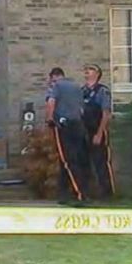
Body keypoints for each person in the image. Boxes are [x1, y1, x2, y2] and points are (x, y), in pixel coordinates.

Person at [45, 67, 89, 204]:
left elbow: (51, 102)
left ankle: (79, 193)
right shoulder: (76, 87)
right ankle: (64, 193)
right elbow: (82, 109)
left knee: (66, 159)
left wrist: (50, 118)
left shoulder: (57, 86)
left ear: (54, 77)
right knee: (75, 158)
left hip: (64, 125)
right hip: (78, 125)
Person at [82, 63, 116, 199]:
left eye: (90, 69)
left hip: (97, 130)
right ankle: (87, 192)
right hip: (84, 131)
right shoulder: (82, 91)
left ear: (97, 74)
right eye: (86, 69)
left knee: (101, 162)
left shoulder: (102, 91)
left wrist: (99, 133)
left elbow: (106, 113)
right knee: (84, 163)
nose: (87, 72)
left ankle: (107, 193)